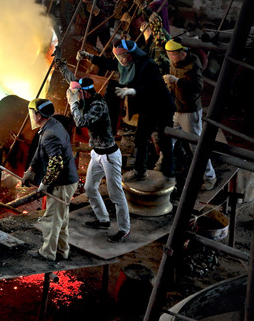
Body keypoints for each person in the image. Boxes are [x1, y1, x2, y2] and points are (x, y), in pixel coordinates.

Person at [79, 39, 176, 181]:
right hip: (146, 108)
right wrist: (90, 57)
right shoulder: (126, 64)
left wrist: (131, 91)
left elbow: (152, 87)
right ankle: (140, 171)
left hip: (161, 107)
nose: (120, 60)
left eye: (122, 57)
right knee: (140, 139)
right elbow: (111, 64)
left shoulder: (147, 65)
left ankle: (170, 176)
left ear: (130, 55)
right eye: (119, 57)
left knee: (164, 141)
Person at [58, 66, 130, 243]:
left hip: (109, 156)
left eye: (79, 93)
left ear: (86, 93)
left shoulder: (98, 105)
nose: (78, 95)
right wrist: (61, 64)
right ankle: (103, 219)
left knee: (116, 194)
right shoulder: (86, 96)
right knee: (90, 188)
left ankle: (124, 229)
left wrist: (73, 103)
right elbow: (72, 80)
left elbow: (81, 121)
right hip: (97, 154)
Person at [20, 98, 80, 261]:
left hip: (62, 184)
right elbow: (40, 150)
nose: (31, 116)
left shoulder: (50, 134)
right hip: (66, 181)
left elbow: (56, 163)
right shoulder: (52, 125)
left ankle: (47, 254)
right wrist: (31, 170)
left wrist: (45, 184)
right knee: (61, 218)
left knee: (51, 220)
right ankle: (62, 250)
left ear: (38, 115)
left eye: (32, 113)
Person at [164, 39, 216, 191]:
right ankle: (164, 171)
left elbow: (197, 88)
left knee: (196, 146)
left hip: (189, 112)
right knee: (168, 140)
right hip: (176, 108)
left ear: (182, 53)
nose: (170, 57)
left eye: (173, 54)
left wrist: (177, 81)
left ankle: (210, 177)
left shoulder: (193, 66)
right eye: (169, 54)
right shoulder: (175, 62)